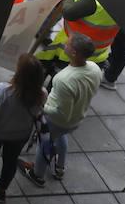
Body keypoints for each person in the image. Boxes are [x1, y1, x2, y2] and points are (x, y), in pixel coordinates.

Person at [23, 33, 101, 187]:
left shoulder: (63, 79)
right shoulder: (94, 68)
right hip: (76, 118)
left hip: (58, 122)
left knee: (44, 144)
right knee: (60, 137)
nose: (64, 44)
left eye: (68, 44)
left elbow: (61, 112)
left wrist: (41, 107)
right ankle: (59, 167)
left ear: (74, 53)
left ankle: (37, 175)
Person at [0, 53, 45, 203]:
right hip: (19, 135)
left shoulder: (3, 90)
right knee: (10, 163)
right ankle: (1, 190)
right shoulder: (42, 94)